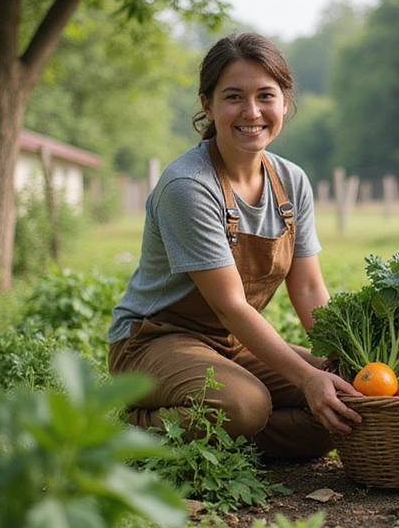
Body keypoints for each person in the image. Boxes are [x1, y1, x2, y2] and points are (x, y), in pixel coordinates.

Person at [107, 31, 361, 459]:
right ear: (207, 105)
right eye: (233, 97)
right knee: (245, 403)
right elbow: (230, 306)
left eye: (266, 96)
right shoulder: (189, 186)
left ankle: (223, 436)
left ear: (285, 101)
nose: (252, 112)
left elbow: (308, 288)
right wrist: (305, 379)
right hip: (153, 341)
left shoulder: (292, 181)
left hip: (232, 343)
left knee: (342, 404)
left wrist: (348, 360)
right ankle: (131, 432)